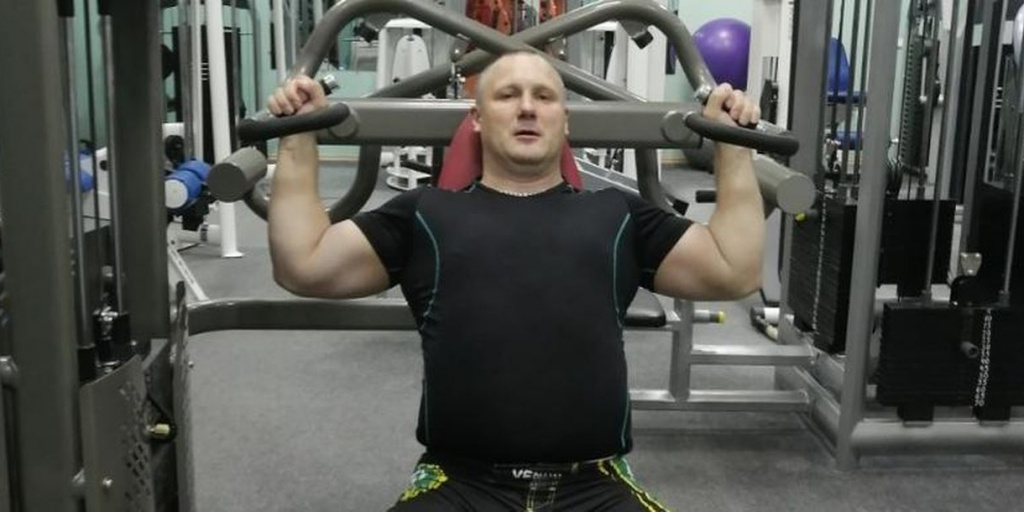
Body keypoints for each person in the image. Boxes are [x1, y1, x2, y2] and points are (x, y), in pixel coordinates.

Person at [266, 51, 764, 511]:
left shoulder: (619, 215)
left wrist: (733, 148)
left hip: (596, 485)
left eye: (544, 97)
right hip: (458, 484)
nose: (527, 107)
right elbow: (303, 264)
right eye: (508, 95)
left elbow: (733, 270)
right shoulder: (424, 214)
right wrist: (298, 134)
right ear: (477, 119)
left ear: (564, 121)